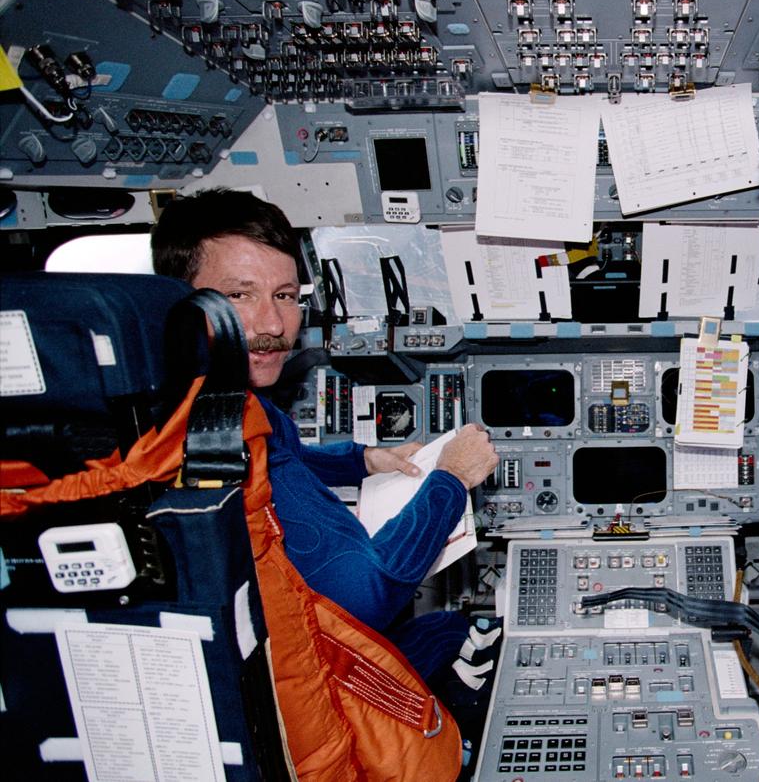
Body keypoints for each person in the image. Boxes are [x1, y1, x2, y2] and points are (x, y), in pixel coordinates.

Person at [151, 188, 499, 689]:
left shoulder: (211, 404)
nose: (272, 324)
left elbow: (288, 453)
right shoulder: (234, 443)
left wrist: (360, 461)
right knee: (462, 631)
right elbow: (368, 599)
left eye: (285, 295)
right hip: (315, 671)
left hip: (281, 649)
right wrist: (450, 479)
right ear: (176, 304)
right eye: (239, 295)